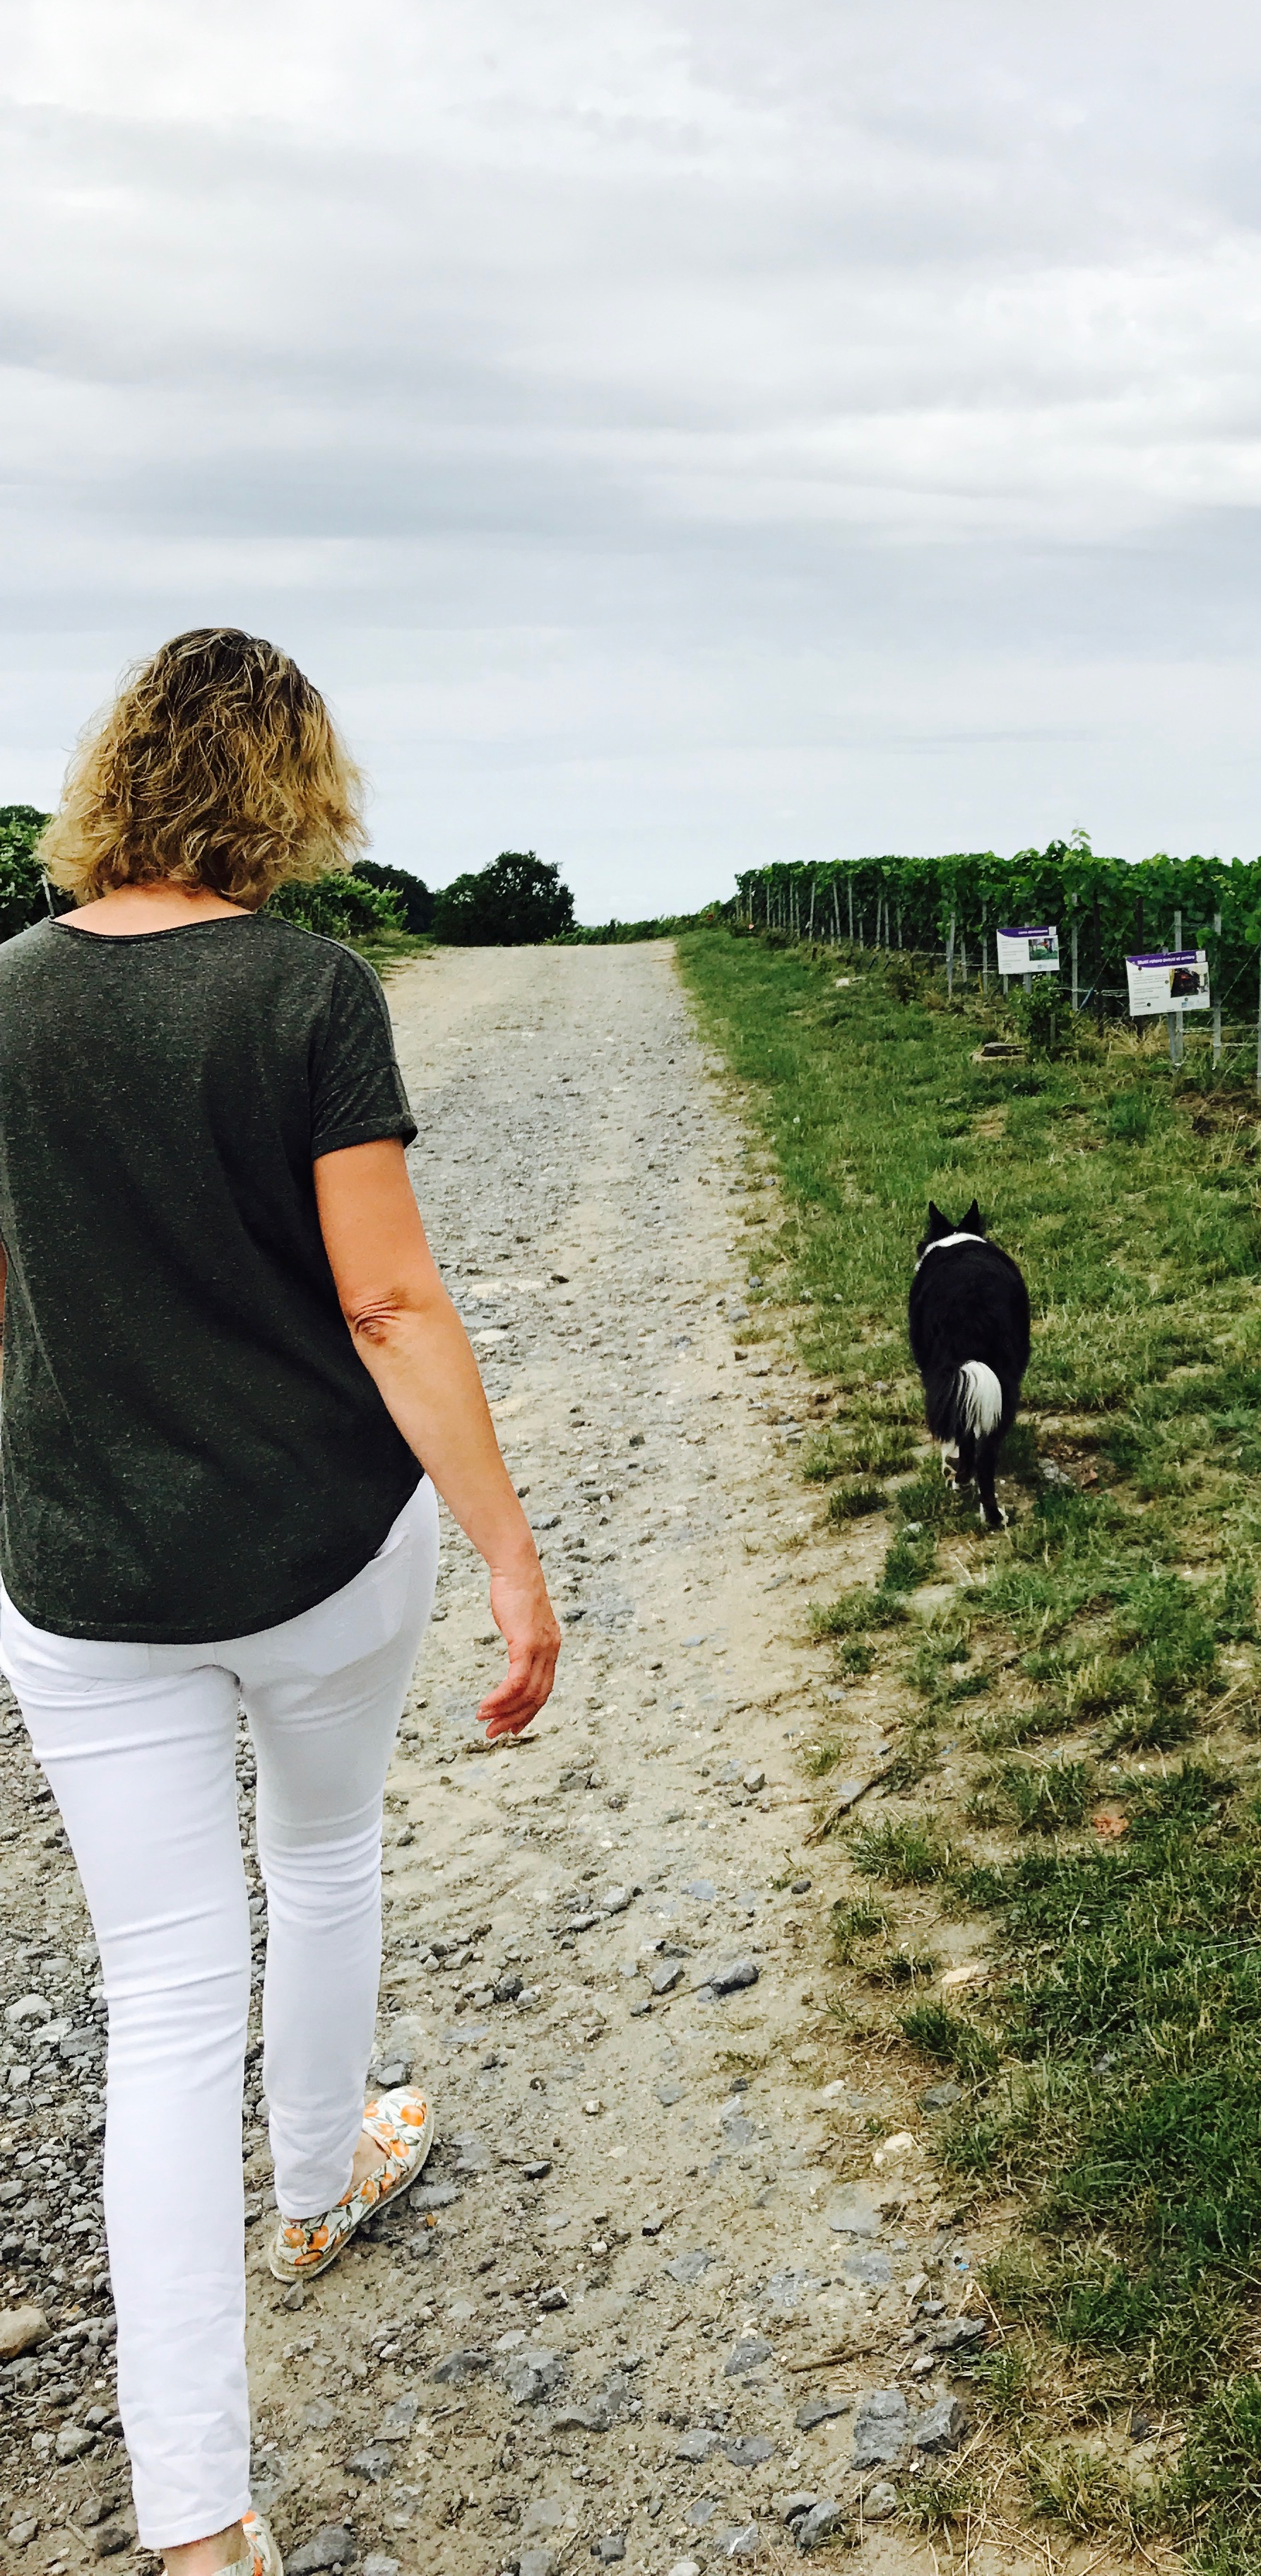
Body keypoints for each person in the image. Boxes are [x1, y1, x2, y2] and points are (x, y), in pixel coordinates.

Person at [0, 630, 562, 2576]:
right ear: (291, 787)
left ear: (117, 772)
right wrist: (508, 1551)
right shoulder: (309, 992)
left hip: (84, 1572)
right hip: (317, 1545)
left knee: (162, 1996)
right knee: (321, 1852)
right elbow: (388, 1303)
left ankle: (198, 2524)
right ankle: (320, 2185)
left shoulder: (5, 994)